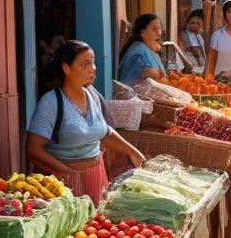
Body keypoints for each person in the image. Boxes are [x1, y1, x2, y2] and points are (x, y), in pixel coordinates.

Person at [26, 40, 143, 202]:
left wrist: (132, 151)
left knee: (95, 225)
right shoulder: (51, 102)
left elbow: (104, 131)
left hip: (95, 174)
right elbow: (32, 149)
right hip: (62, 184)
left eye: (93, 62)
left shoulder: (92, 94)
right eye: (85, 64)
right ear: (66, 68)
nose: (93, 68)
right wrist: (68, 173)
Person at [117, 14, 166, 83]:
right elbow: (152, 74)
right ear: (143, 33)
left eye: (159, 28)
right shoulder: (140, 52)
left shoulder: (148, 51)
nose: (159, 33)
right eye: (154, 29)